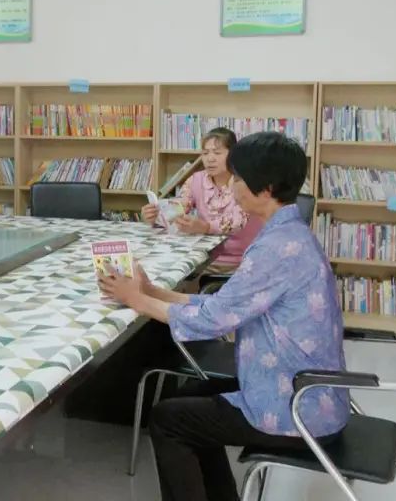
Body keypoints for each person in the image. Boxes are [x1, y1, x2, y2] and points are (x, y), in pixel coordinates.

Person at [100, 132, 348, 501]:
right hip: (302, 389)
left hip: (298, 408)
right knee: (193, 398)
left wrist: (135, 300)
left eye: (238, 178)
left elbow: (213, 319)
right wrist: (151, 292)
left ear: (265, 189)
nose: (231, 185)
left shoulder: (276, 248)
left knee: (169, 421)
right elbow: (226, 303)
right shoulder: (289, 233)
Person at [142, 128, 263, 273]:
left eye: (217, 153)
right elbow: (179, 207)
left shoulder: (244, 181)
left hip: (243, 261)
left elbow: (237, 222)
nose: (210, 159)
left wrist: (206, 227)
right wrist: (155, 216)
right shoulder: (196, 179)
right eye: (205, 153)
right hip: (203, 258)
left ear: (233, 155)